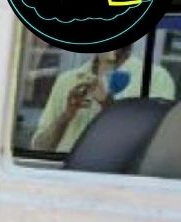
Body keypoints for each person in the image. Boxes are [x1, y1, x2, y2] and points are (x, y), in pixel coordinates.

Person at [31, 46, 176, 152]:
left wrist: (107, 104)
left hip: (119, 178)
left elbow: (154, 148)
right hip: (64, 175)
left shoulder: (156, 78)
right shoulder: (67, 80)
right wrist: (67, 116)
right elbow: (40, 147)